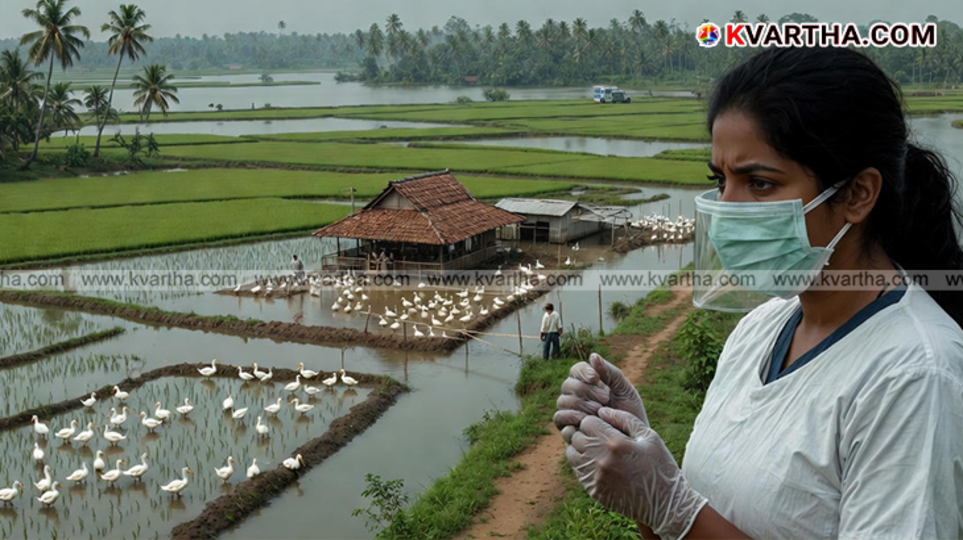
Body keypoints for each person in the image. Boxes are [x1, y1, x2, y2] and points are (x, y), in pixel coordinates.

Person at [554, 47, 963, 540]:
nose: (726, 210)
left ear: (857, 195)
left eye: (761, 183)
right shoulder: (761, 327)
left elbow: (685, 520)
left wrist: (673, 508)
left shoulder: (915, 376)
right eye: (719, 180)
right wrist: (645, 475)